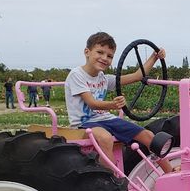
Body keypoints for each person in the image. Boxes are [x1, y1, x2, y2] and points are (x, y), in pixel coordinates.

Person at [65, 32, 173, 173]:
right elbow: (91, 103)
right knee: (105, 138)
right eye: (100, 52)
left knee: (148, 136)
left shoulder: (103, 78)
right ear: (87, 52)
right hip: (83, 123)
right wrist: (112, 104)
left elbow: (137, 76)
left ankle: (171, 173)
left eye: (109, 56)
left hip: (105, 119)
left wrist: (155, 57)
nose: (104, 58)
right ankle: (113, 180)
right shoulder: (76, 75)